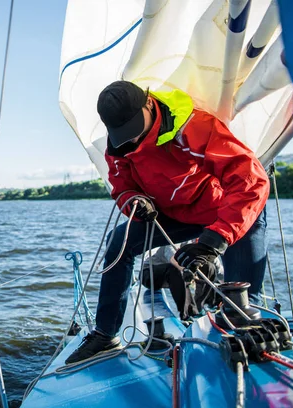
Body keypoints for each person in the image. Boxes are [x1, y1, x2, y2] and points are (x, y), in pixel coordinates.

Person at [65, 81, 269, 364]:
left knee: (243, 293)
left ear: (149, 103)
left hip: (222, 211)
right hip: (173, 214)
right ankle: (105, 334)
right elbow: (121, 185)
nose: (132, 140)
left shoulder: (195, 127)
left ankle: (244, 325)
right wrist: (135, 201)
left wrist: (216, 239)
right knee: (119, 242)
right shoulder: (118, 145)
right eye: (124, 134)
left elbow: (250, 180)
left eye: (135, 128)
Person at [140, 242, 222, 321]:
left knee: (209, 266)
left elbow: (219, 270)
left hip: (173, 277)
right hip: (150, 274)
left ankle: (200, 307)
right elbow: (173, 259)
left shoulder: (202, 244)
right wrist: (187, 270)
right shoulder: (175, 238)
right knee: (176, 270)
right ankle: (187, 314)